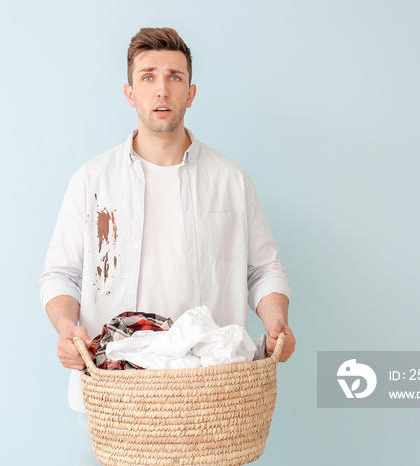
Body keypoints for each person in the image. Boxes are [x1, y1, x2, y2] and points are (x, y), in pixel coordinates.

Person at [40, 27, 295, 465]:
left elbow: (264, 269)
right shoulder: (92, 181)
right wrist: (67, 331)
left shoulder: (230, 180)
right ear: (129, 91)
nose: (162, 89)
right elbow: (62, 274)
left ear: (191, 92)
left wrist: (277, 324)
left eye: (175, 77)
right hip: (113, 399)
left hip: (209, 402)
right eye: (148, 76)